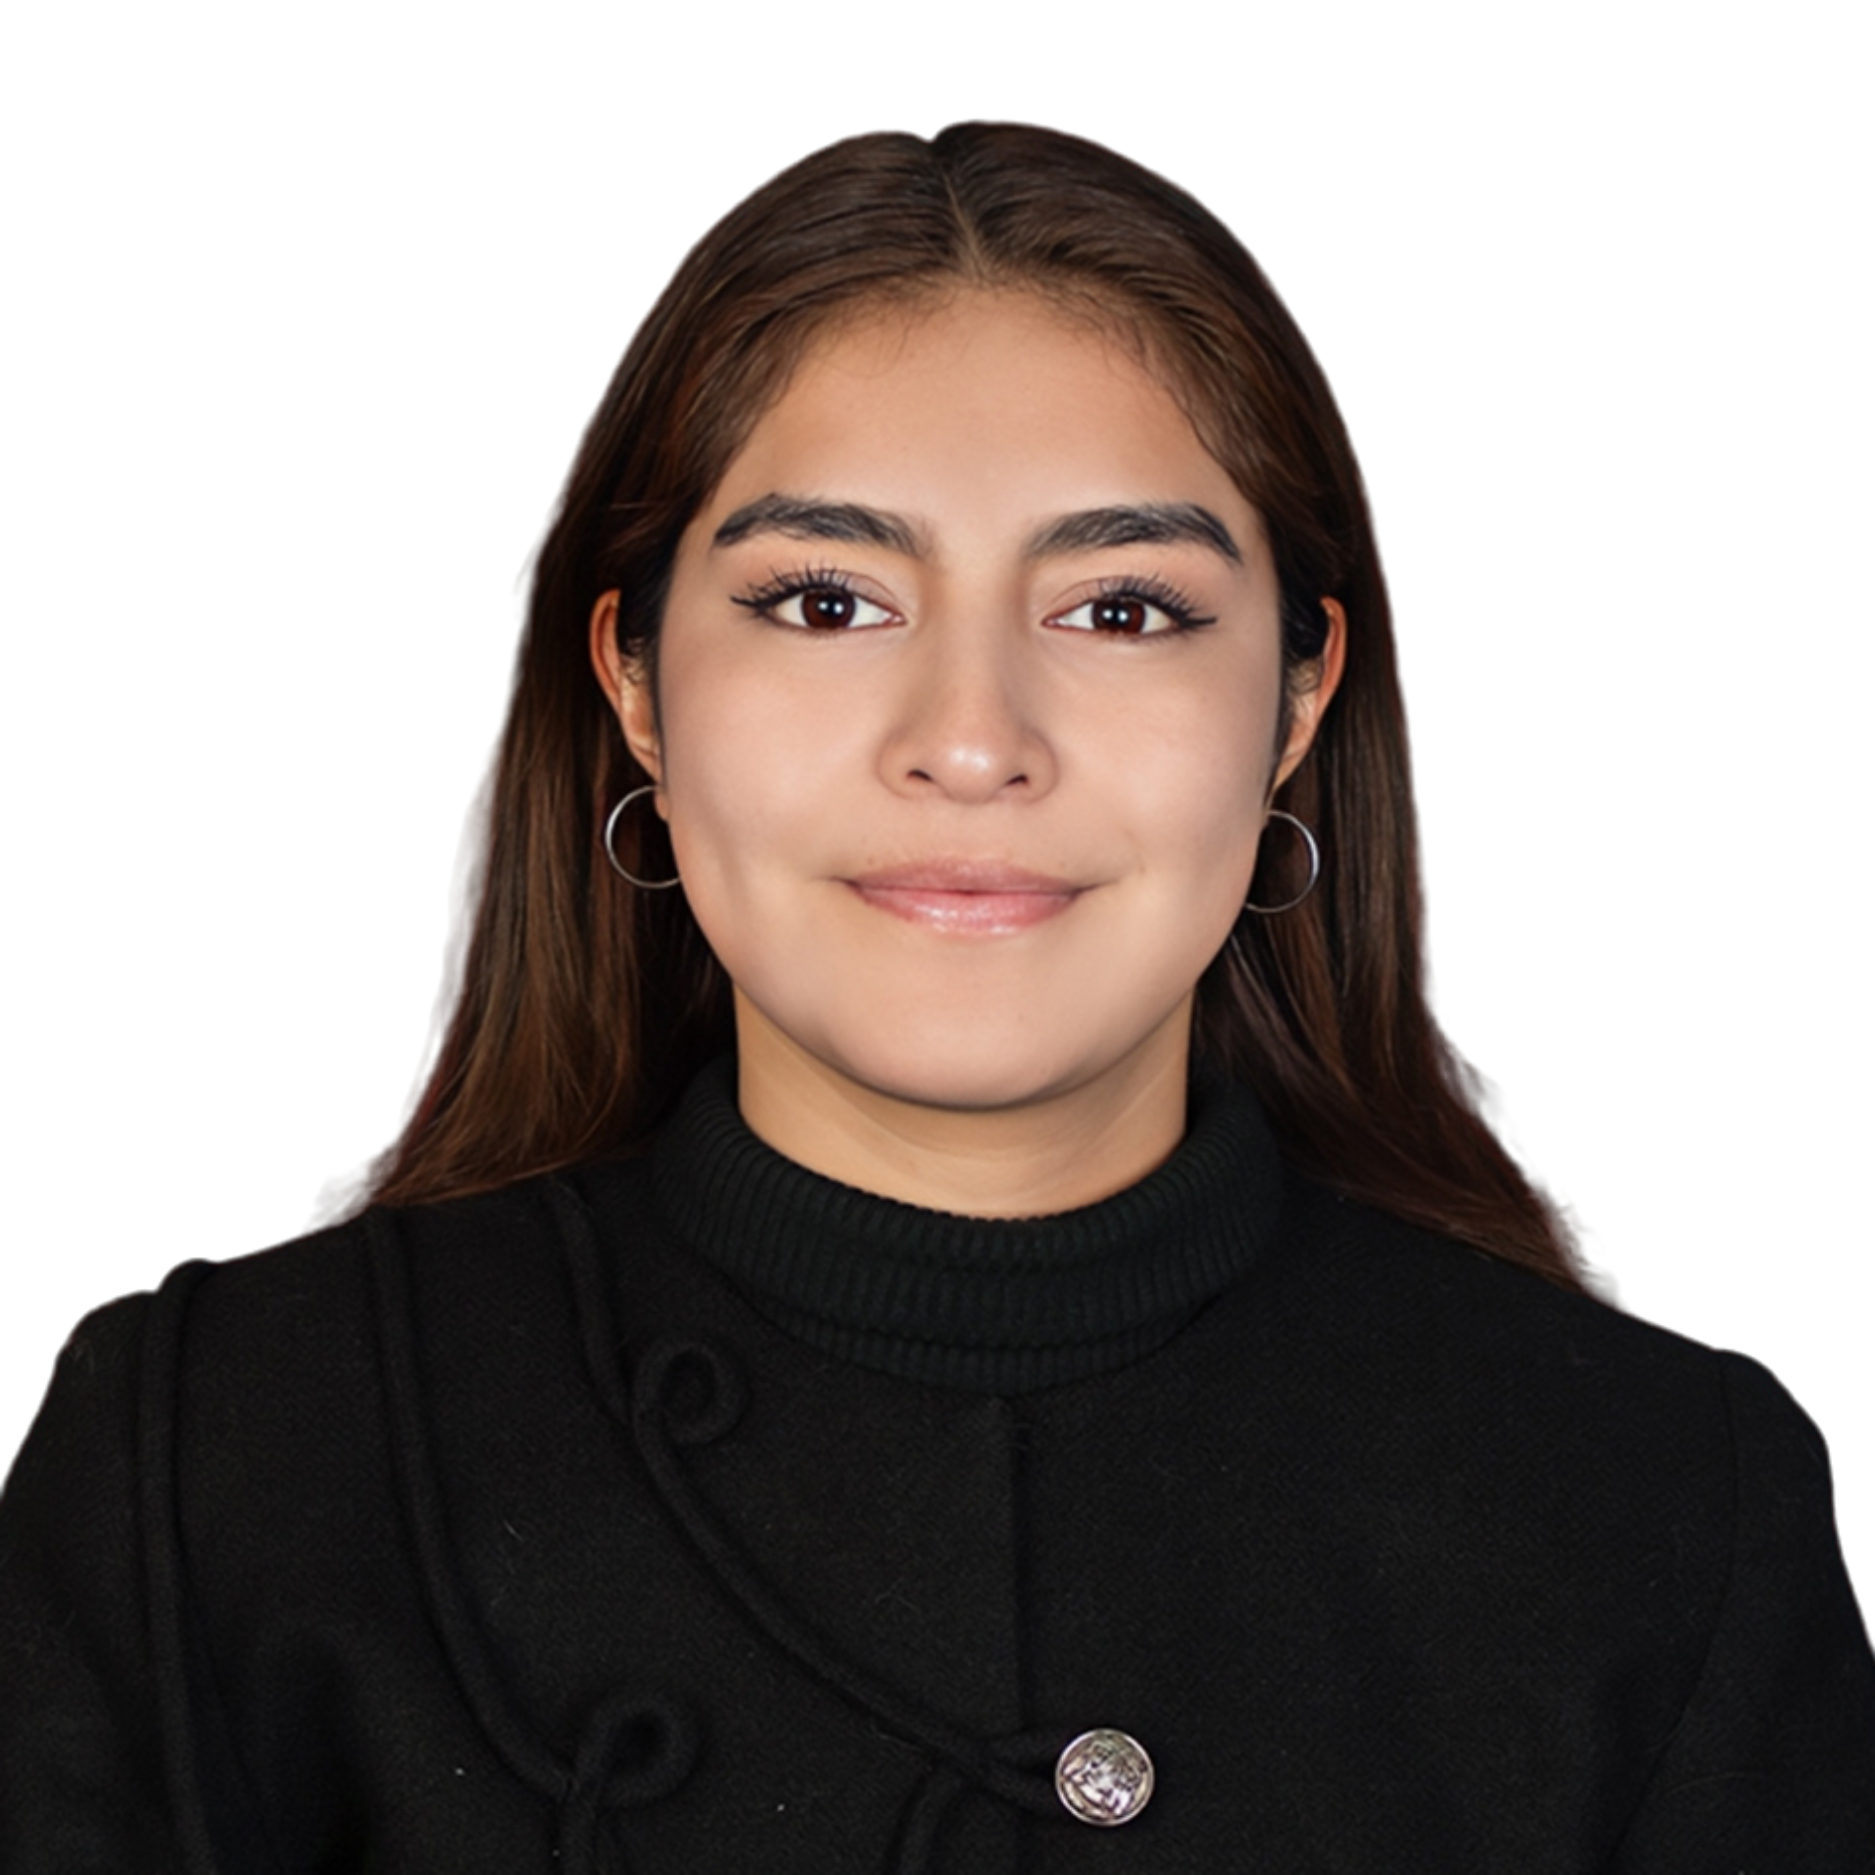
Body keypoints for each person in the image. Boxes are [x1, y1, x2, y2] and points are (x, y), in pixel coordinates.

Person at [2, 121, 1870, 1873]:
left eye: (1120, 608)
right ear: (636, 684)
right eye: (827, 601)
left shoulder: (1663, 1510)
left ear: (1297, 698)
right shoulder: (212, 1463)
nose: (970, 742)